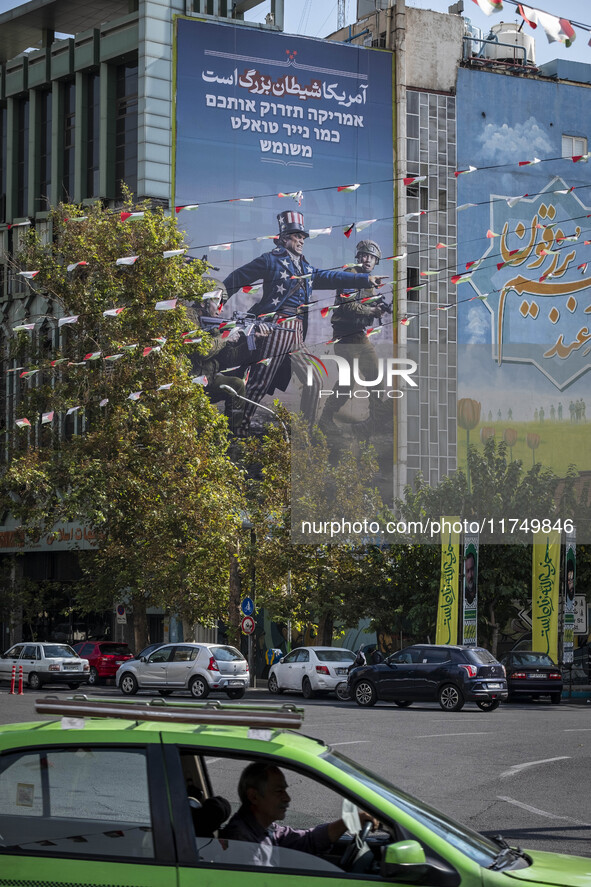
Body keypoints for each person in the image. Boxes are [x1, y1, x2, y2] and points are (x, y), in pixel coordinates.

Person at [222, 213, 386, 435]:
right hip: (276, 328)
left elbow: (332, 278)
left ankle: (305, 433)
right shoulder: (270, 260)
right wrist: (219, 296)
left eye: (302, 237)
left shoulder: (306, 268)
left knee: (314, 380)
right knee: (259, 380)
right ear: (282, 238)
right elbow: (240, 276)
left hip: (296, 333)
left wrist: (365, 279)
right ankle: (239, 427)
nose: (300, 240)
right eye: (295, 236)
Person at [220, 762, 376, 867]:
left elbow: (308, 839)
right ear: (254, 796)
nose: (287, 798)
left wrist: (349, 821)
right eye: (279, 791)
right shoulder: (241, 841)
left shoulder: (265, 828)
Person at [319, 240, 389, 435]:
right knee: (347, 381)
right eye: (364, 256)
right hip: (345, 336)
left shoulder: (368, 280)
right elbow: (347, 306)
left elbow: (366, 305)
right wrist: (371, 310)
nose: (367, 260)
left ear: (376, 261)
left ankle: (374, 420)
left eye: (372, 257)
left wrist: (378, 308)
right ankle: (325, 419)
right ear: (358, 258)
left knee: (375, 375)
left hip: (359, 336)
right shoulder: (351, 274)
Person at [186, 287, 269, 434]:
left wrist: (253, 338)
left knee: (237, 385)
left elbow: (229, 359)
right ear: (204, 303)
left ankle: (231, 434)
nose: (221, 309)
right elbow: (202, 351)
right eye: (218, 303)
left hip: (207, 379)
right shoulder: (189, 317)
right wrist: (225, 337)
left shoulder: (214, 324)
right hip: (188, 381)